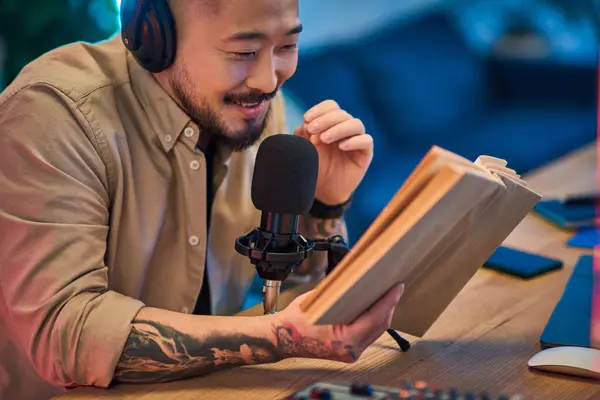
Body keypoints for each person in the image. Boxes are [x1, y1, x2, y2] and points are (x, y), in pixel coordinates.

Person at [0, 0, 405, 399]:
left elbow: (301, 297)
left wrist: (325, 203)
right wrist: (282, 337)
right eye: (243, 52)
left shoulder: (257, 104)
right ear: (153, 36)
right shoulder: (54, 114)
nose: (269, 80)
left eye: (286, 47)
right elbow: (64, 335)